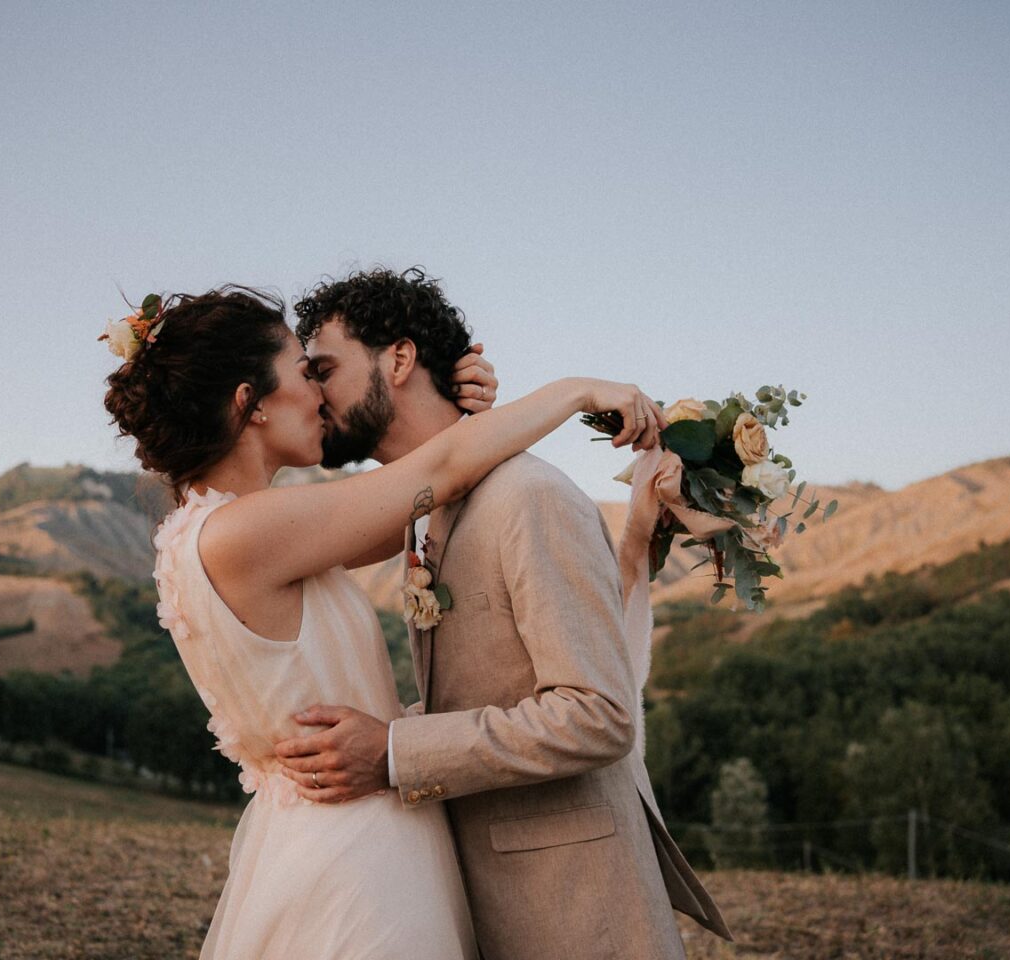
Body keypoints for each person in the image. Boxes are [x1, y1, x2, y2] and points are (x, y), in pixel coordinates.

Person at [101, 283, 666, 960]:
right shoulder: (243, 533)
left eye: (323, 370)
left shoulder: (248, 532)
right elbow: (445, 470)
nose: (316, 393)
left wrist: (458, 412)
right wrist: (576, 390)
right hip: (358, 865)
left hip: (359, 843)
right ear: (249, 406)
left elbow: (432, 492)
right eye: (303, 373)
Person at [274, 267, 732, 959]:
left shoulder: (528, 498)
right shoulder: (423, 513)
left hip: (577, 916)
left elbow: (599, 714)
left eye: (325, 369)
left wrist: (394, 751)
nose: (313, 393)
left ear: (398, 360)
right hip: (478, 904)